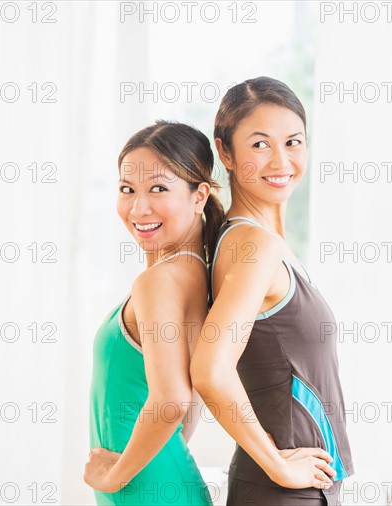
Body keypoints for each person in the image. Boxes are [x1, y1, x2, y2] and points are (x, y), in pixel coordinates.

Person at [190, 77, 355, 506]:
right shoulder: (253, 246)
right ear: (225, 151)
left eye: (293, 141)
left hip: (299, 488)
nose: (281, 160)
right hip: (283, 491)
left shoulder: (259, 241)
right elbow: (210, 369)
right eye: (260, 145)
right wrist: (279, 465)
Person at [85, 121, 225, 506]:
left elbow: (173, 400)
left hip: (143, 486)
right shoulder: (194, 274)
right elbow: (189, 403)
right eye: (127, 189)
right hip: (158, 479)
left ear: (200, 196)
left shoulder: (159, 283)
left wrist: (114, 476)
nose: (138, 206)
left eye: (158, 189)